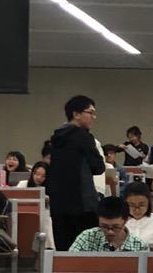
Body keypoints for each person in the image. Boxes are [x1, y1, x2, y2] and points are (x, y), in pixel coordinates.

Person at [47, 94, 106, 250]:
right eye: (90, 112)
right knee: (86, 251)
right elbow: (98, 167)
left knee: (64, 250)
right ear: (76, 114)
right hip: (82, 204)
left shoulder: (56, 138)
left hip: (59, 205)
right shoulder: (83, 136)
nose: (94, 117)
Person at [69, 196, 146, 252]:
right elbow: (69, 263)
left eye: (115, 227)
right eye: (104, 226)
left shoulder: (139, 245)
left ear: (125, 220)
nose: (110, 232)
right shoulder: (87, 237)